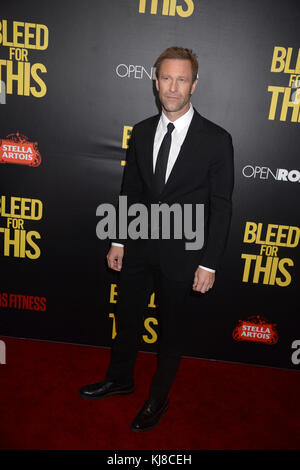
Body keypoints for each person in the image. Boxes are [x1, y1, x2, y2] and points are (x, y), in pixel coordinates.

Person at [79, 46, 234, 432]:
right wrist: (118, 238)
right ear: (155, 80)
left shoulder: (217, 139)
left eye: (182, 79)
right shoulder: (143, 130)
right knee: (127, 316)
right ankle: (120, 379)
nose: (173, 87)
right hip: (139, 245)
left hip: (185, 254)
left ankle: (158, 398)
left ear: (194, 85)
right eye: (167, 77)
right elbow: (129, 189)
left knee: (171, 331)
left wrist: (209, 262)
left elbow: (221, 206)